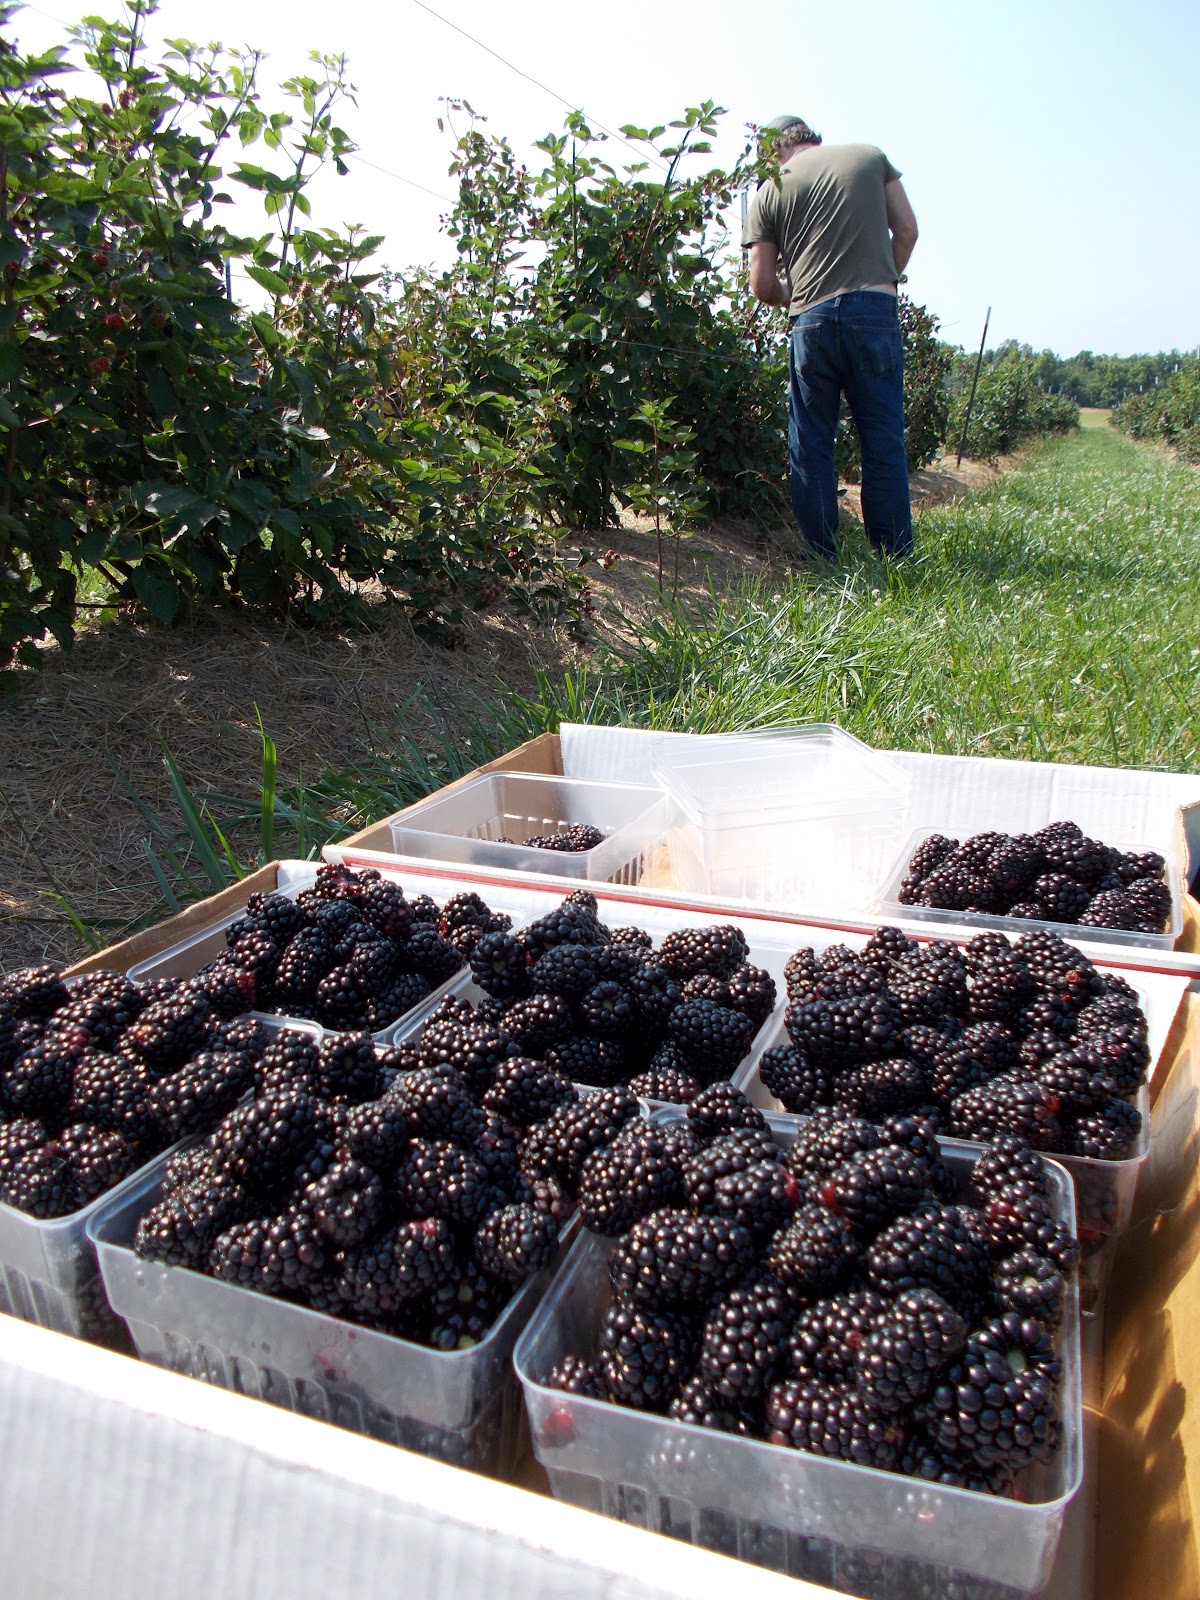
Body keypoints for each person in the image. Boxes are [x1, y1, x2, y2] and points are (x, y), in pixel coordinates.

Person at [743, 115, 919, 558]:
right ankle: (893, 557)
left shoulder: (770, 189)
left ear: (774, 150)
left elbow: (762, 284)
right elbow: (909, 230)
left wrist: (793, 297)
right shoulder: (869, 157)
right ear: (813, 139)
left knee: (811, 442)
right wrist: (885, 280)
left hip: (812, 320)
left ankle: (824, 557)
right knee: (882, 439)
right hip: (874, 312)